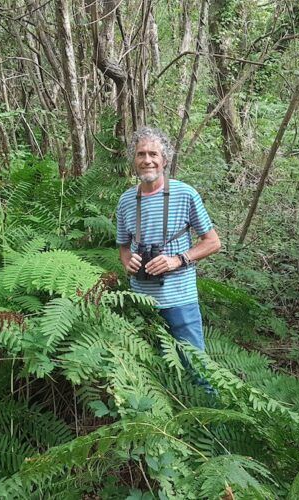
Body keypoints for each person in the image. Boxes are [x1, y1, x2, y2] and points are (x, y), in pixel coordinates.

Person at [115, 126, 221, 390]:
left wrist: (177, 260)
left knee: (198, 371)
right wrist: (128, 263)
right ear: (133, 159)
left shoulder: (185, 194)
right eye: (141, 154)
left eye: (153, 153)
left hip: (180, 300)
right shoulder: (127, 201)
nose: (147, 160)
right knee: (153, 374)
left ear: (165, 159)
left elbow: (213, 242)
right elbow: (123, 247)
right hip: (142, 303)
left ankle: (212, 427)